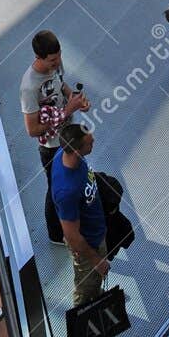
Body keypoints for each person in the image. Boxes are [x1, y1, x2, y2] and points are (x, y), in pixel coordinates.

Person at [20, 29, 89, 247]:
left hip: (68, 136)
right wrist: (68, 110)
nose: (57, 62)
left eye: (59, 56)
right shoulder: (30, 87)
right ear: (38, 57)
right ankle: (56, 234)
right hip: (52, 147)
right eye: (52, 60)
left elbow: (62, 86)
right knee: (56, 189)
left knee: (76, 177)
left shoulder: (55, 66)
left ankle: (75, 220)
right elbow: (32, 130)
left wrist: (75, 99)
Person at [51, 122, 110, 312]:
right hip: (88, 242)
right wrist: (96, 260)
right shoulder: (66, 191)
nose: (93, 140)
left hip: (95, 228)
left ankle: (95, 290)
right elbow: (73, 237)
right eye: (89, 143)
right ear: (77, 150)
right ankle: (83, 316)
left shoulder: (64, 154)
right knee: (85, 286)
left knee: (93, 281)